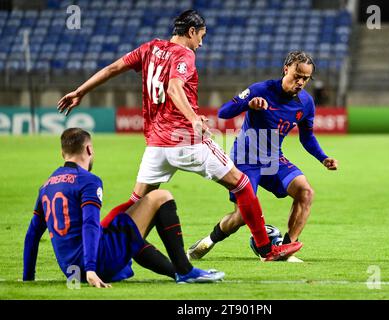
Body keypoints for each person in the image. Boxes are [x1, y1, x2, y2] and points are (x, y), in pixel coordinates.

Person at [57, 10, 301, 261]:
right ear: (191, 31)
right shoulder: (185, 54)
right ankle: (266, 248)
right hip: (185, 139)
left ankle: (96, 240)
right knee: (243, 185)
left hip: (155, 145)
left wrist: (80, 91)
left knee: (135, 201)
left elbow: (112, 68)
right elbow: (174, 87)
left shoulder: (149, 48)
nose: (201, 43)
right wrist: (194, 118)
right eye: (201, 36)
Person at [23, 128, 225, 286]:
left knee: (124, 225)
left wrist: (28, 277)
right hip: (95, 264)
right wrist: (92, 269)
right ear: (89, 150)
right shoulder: (88, 181)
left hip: (72, 271)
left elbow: (32, 235)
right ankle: (185, 270)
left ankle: (176, 272)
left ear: (62, 153)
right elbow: (90, 224)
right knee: (161, 197)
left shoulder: (46, 186)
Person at [187, 51, 339, 262]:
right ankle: (208, 241)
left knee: (305, 192)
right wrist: (247, 105)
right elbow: (224, 112)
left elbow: (307, 137)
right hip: (246, 160)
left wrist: (323, 158)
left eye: (305, 78)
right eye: (297, 75)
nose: (301, 82)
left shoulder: (306, 103)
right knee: (241, 216)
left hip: (274, 159)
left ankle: (285, 249)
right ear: (286, 69)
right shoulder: (261, 90)